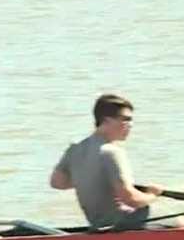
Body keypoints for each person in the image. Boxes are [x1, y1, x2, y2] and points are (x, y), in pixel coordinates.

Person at [50, 94, 164, 230]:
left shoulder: (75, 148)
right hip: (124, 224)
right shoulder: (111, 151)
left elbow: (57, 182)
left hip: (98, 224)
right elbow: (131, 199)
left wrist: (95, 180)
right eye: (125, 120)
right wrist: (153, 195)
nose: (130, 125)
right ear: (106, 121)